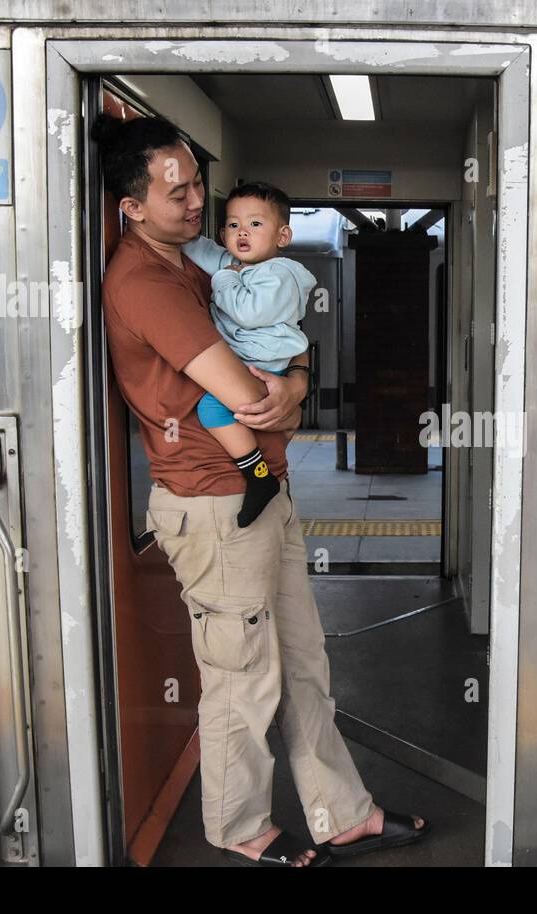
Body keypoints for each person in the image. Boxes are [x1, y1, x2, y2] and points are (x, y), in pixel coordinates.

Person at [94, 112, 428, 867]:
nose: (194, 201)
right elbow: (245, 390)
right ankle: (240, 831)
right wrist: (285, 387)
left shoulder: (192, 263)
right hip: (213, 507)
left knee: (304, 663)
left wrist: (301, 379)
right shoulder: (146, 280)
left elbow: (286, 365)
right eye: (175, 191)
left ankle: (340, 813)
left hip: (262, 491)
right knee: (242, 681)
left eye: (197, 185)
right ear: (133, 206)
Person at [181, 182, 316, 528]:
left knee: (212, 408)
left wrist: (225, 279)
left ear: (282, 236)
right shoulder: (233, 262)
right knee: (257, 416)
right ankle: (276, 443)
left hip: (262, 359)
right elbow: (202, 250)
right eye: (232, 224)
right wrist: (180, 232)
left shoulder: (280, 274)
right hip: (247, 356)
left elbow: (249, 312)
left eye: (255, 224)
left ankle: (258, 476)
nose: (242, 232)